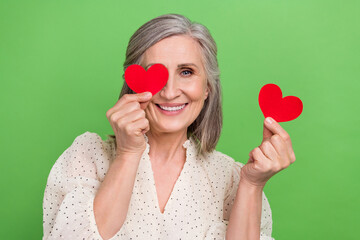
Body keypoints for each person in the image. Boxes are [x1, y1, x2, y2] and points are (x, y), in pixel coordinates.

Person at [42, 13, 295, 240]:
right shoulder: (88, 157)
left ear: (207, 88)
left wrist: (252, 185)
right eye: (156, 73)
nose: (170, 92)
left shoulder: (230, 178)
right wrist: (128, 153)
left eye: (186, 72)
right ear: (133, 83)